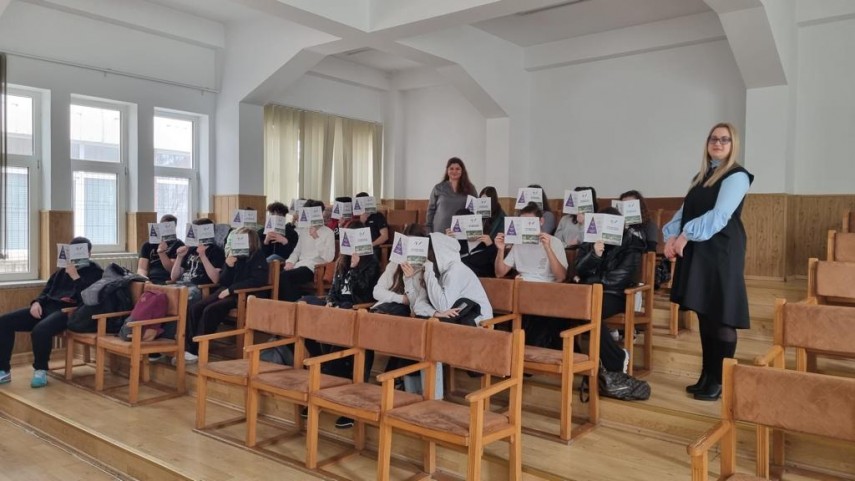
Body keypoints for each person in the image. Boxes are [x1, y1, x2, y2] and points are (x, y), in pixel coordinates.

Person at [663, 122, 753, 401]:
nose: (718, 143)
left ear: (732, 144)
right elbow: (684, 210)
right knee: (704, 312)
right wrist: (670, 235)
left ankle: (721, 380)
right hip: (699, 248)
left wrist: (686, 237)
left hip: (722, 249)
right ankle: (706, 375)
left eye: (724, 140)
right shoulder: (701, 176)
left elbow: (720, 215)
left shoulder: (737, 175)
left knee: (721, 315)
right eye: (714, 138)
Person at [0, 237, 102, 388]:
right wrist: (36, 303)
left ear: (89, 253)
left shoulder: (96, 272)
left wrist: (75, 277)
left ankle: (40, 370)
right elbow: (47, 291)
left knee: (40, 330)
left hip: (68, 311)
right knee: (4, 321)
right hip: (46, 307)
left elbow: (89, 299)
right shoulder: (61, 271)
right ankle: (3, 370)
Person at [573, 207, 647, 373]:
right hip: (589, 292)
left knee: (588, 312)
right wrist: (595, 255)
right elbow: (578, 268)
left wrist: (589, 279)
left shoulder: (632, 243)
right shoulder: (591, 240)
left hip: (616, 294)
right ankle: (576, 358)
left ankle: (616, 359)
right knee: (564, 308)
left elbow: (619, 278)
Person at [184, 228, 269, 363]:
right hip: (225, 291)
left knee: (210, 310)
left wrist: (231, 290)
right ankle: (189, 348)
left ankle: (198, 349)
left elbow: (258, 280)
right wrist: (228, 266)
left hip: (244, 295)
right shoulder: (233, 255)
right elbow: (223, 280)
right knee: (195, 308)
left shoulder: (257, 256)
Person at [494, 202, 568, 347]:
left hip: (546, 292)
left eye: (530, 222)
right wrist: (501, 250)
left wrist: (547, 248)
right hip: (522, 291)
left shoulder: (555, 242)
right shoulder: (518, 243)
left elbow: (561, 277)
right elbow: (499, 273)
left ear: (541, 222)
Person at [423, 232, 493, 326]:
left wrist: (428, 271)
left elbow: (442, 306)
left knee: (431, 324)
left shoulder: (455, 271)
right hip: (464, 315)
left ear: (437, 253)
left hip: (479, 319)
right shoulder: (447, 270)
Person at [279, 200, 336, 302]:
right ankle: (293, 304)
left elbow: (329, 257)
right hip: (300, 265)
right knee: (280, 275)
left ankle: (294, 307)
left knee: (285, 277)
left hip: (314, 268)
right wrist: (290, 262)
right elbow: (297, 251)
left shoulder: (328, 233)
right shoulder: (304, 230)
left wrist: (316, 237)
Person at [371, 224, 434, 318]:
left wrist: (410, 279)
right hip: (383, 310)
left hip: (407, 315)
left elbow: (416, 305)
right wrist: (401, 299)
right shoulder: (394, 264)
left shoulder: (427, 268)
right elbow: (377, 291)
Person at [425, 157, 477, 233]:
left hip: (462, 231)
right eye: (451, 168)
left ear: (462, 171)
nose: (454, 171)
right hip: (440, 230)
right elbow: (431, 210)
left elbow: (475, 210)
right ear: (447, 170)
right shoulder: (438, 188)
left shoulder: (470, 188)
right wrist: (428, 230)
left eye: (457, 169)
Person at [447, 208, 497, 278]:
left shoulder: (488, 244)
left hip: (483, 282)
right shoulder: (458, 245)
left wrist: (490, 246)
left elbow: (497, 269)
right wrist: (447, 241)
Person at [138, 214, 184, 284]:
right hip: (150, 279)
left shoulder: (178, 244)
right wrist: (144, 279)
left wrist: (162, 253)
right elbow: (142, 268)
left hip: (167, 280)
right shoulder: (147, 245)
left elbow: (171, 270)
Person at [355, 192, 389, 260]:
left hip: (373, 247)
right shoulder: (355, 217)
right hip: (358, 246)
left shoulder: (378, 216)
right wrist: (361, 222)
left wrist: (372, 244)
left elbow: (385, 236)